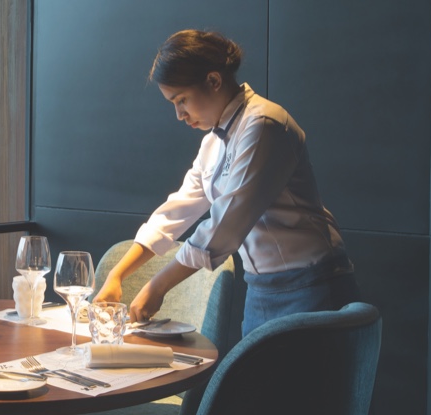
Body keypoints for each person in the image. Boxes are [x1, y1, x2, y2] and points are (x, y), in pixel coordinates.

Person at [92, 29, 359, 336]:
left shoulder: (264, 125)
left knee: (310, 384)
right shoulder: (212, 144)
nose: (179, 114)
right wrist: (117, 275)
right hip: (260, 289)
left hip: (312, 284)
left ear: (214, 81)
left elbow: (224, 228)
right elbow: (175, 212)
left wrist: (157, 285)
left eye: (182, 100)